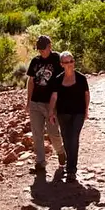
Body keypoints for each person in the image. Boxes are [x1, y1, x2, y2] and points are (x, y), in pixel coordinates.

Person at [48, 51, 89, 183]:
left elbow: (86, 94)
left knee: (74, 138)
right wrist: (51, 112)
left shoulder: (81, 78)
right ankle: (68, 164)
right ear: (61, 64)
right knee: (66, 138)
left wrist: (86, 109)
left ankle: (72, 169)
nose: (70, 64)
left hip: (78, 113)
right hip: (63, 113)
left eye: (71, 61)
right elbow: (54, 96)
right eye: (67, 62)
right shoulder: (58, 79)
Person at [26, 35, 65, 171]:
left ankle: (60, 151)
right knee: (37, 133)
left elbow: (66, 78)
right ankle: (40, 162)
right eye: (39, 50)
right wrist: (28, 101)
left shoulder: (57, 59)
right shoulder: (35, 61)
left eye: (44, 49)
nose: (41, 52)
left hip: (51, 103)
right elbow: (31, 82)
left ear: (50, 46)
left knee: (53, 132)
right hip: (36, 102)